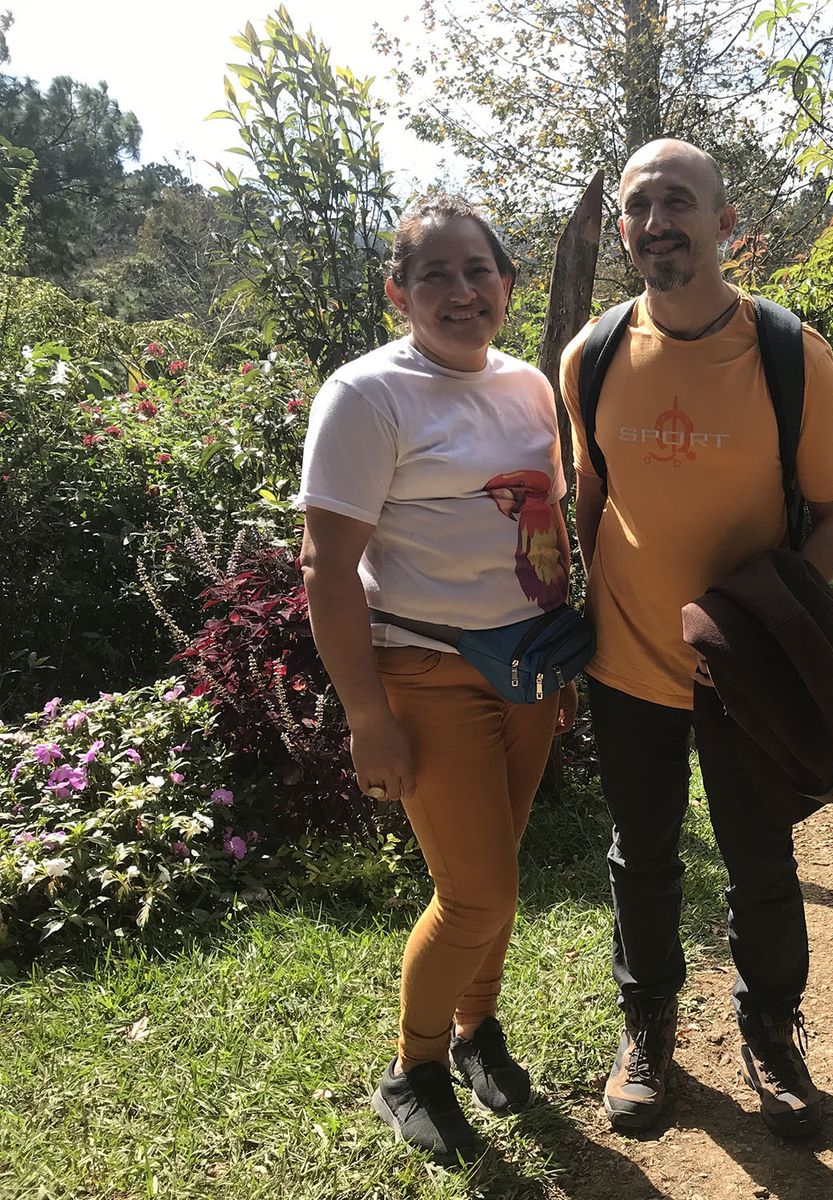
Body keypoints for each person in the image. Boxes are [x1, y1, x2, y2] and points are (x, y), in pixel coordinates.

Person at [558, 138, 833, 1138]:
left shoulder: (790, 354)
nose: (657, 224)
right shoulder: (592, 355)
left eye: (678, 203)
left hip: (744, 676)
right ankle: (647, 1027)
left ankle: (771, 1030)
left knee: (759, 857)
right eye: (639, 206)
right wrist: (580, 605)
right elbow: (590, 495)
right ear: (623, 230)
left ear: (725, 223)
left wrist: (771, 629)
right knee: (640, 855)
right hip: (626, 662)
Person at [297, 194, 578, 1162]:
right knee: (476, 895)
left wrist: (558, 659)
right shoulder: (367, 395)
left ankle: (474, 1031)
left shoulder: (529, 386)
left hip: (526, 668)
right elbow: (327, 568)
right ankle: (411, 1069)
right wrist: (365, 716)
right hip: (426, 673)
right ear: (398, 293)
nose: (461, 292)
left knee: (499, 871)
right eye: (435, 276)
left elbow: (544, 526)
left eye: (477, 271)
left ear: (507, 282)